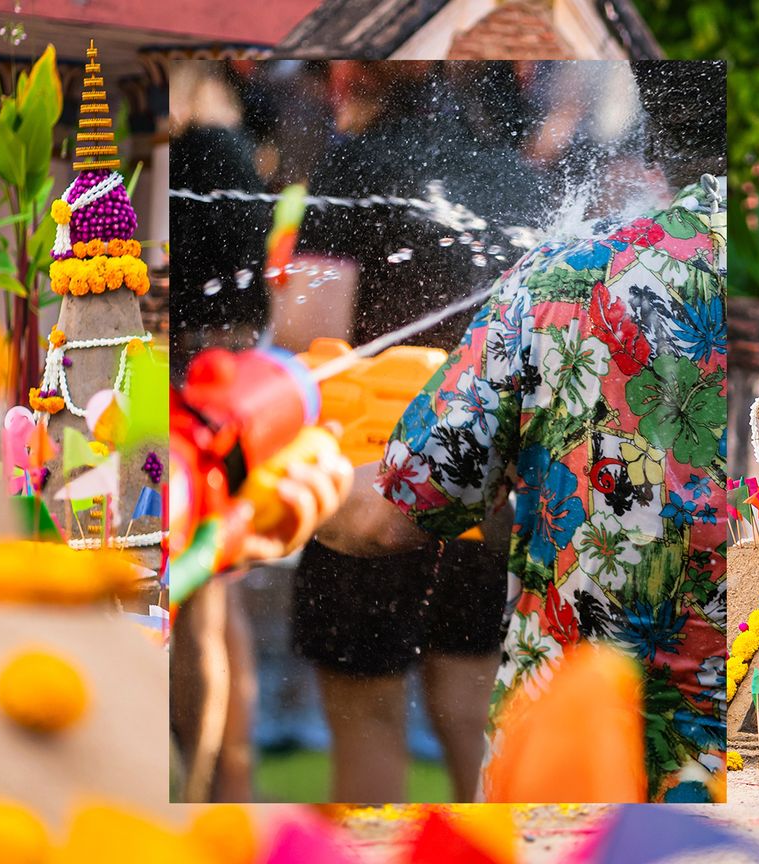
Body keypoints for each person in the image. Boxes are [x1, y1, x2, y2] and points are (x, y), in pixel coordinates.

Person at [316, 61, 729, 802]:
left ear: (657, 129)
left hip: (576, 774)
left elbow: (391, 511)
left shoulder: (566, 275)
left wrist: (288, 479)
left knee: (370, 720)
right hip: (757, 763)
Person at [285, 62, 540, 803]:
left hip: (369, 484)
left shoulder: (353, 164)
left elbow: (312, 330)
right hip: (486, 495)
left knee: (368, 722)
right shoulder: (517, 180)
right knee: (473, 716)